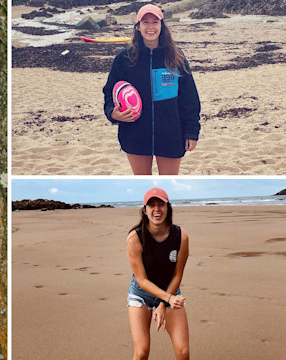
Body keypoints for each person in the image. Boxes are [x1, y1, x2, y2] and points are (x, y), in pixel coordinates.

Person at [103, 4, 201, 175]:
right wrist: (112, 113)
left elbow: (189, 97)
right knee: (143, 183)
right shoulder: (123, 59)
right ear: (137, 26)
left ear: (162, 26)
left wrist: (192, 131)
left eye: (155, 22)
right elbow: (109, 92)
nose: (150, 27)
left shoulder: (176, 57)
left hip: (171, 134)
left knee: (168, 184)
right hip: (135, 134)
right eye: (145, 22)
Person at [126, 187, 189, 360]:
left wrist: (164, 302)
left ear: (168, 207)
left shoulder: (181, 236)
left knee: (183, 352)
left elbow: (177, 275)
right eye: (151, 205)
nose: (156, 209)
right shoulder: (135, 238)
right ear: (144, 210)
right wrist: (167, 299)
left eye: (161, 204)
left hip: (170, 289)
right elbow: (141, 279)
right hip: (141, 292)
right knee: (141, 351)